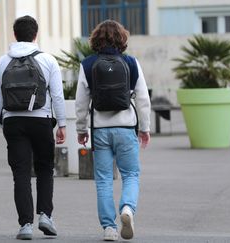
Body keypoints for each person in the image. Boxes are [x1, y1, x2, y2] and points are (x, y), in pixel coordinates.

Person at [75, 20, 151, 241]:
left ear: (95, 39)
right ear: (122, 38)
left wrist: (81, 128)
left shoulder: (88, 64)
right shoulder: (131, 63)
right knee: (130, 174)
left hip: (100, 130)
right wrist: (144, 128)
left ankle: (109, 228)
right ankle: (127, 209)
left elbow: (81, 102)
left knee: (104, 179)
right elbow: (143, 99)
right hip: (126, 128)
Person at [0, 15, 66, 240]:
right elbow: (57, 95)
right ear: (36, 35)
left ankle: (25, 224)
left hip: (14, 120)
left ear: (15, 35)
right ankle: (45, 215)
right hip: (41, 119)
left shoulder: (3, 61)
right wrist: (61, 123)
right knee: (45, 168)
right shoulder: (48, 60)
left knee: (21, 173)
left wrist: (0, 119)